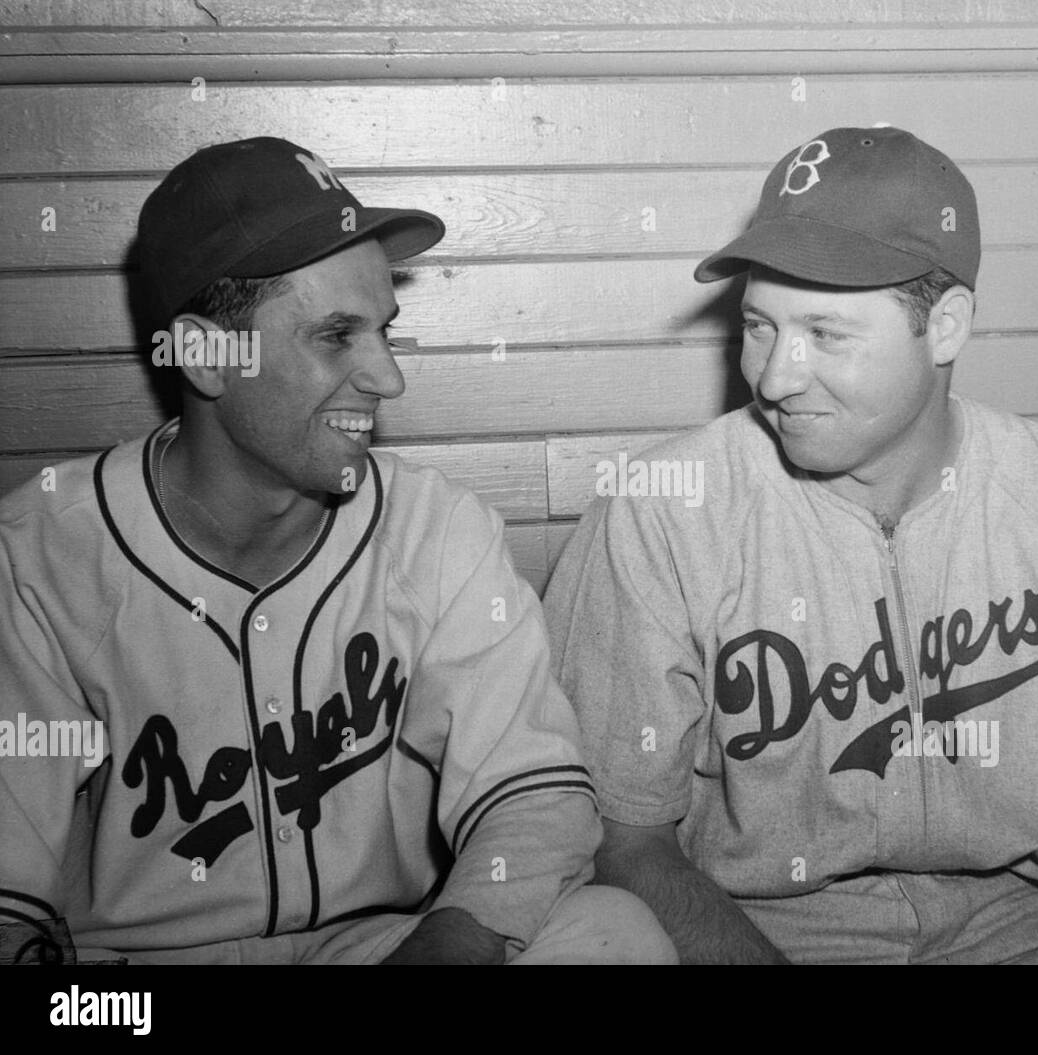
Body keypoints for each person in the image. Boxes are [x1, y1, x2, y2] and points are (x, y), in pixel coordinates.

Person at [542, 125, 1038, 965]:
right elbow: (624, 840)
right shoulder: (663, 511)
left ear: (946, 326)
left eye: (826, 334)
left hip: (1029, 922)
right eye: (759, 326)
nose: (776, 376)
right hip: (765, 925)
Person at [0, 137, 675, 965]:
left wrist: (453, 942)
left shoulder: (436, 528)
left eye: (384, 331)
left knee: (613, 932)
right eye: (336, 336)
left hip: (380, 947)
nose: (388, 378)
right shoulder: (42, 555)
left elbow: (534, 792)